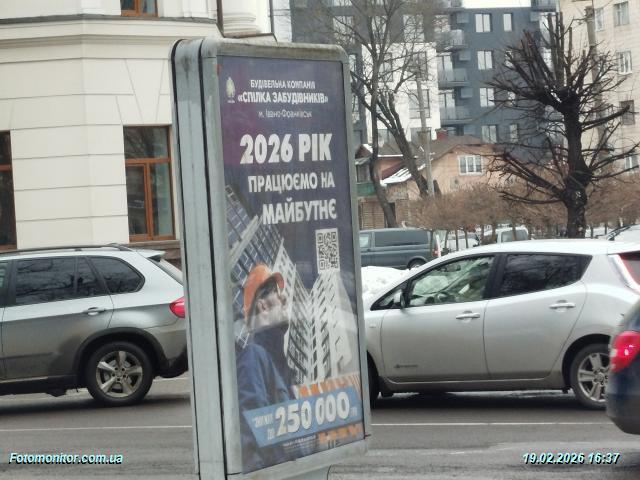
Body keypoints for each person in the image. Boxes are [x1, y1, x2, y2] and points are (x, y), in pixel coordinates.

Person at [235, 263, 295, 472]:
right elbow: (252, 438)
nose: (283, 298)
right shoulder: (254, 357)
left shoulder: (276, 363)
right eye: (275, 293)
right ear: (263, 306)